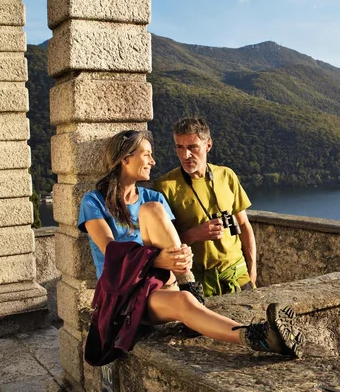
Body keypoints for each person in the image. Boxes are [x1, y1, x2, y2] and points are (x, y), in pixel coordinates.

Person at [78, 129, 304, 361]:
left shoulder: (152, 198)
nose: (153, 161)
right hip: (126, 291)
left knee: (152, 209)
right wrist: (155, 259)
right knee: (184, 303)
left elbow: (171, 239)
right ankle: (259, 336)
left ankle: (189, 285)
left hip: (162, 277)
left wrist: (176, 257)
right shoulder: (94, 201)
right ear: (126, 158)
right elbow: (109, 249)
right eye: (146, 155)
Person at [154, 118, 257, 297]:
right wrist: (195, 234)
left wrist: (252, 272)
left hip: (239, 276)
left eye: (192, 147)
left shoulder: (227, 175)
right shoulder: (165, 186)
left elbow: (244, 226)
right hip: (199, 282)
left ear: (208, 145)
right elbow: (161, 246)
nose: (185, 155)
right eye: (179, 147)